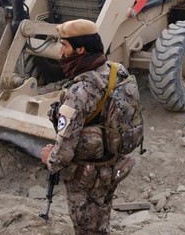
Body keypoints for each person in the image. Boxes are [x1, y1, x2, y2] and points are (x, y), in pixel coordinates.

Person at [39, 18, 138, 235]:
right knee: (101, 224)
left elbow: (63, 153)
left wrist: (50, 158)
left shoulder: (79, 93)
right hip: (112, 168)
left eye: (64, 46)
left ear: (80, 49)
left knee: (86, 229)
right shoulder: (117, 72)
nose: (61, 52)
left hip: (85, 176)